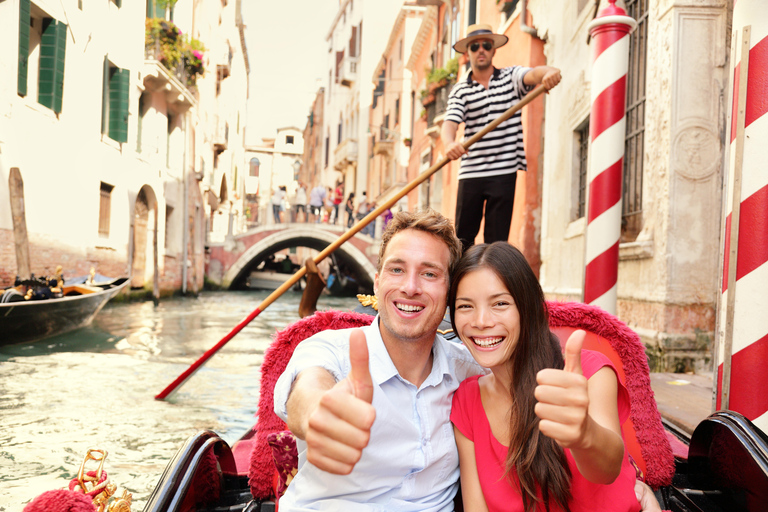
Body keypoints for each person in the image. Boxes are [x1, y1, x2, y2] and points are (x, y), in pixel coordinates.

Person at [273, 209, 661, 512]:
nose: (410, 286)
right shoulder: (333, 349)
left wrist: (615, 462)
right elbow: (307, 391)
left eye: (429, 273)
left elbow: (601, 457)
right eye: (396, 269)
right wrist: (319, 416)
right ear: (376, 282)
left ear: (445, 296)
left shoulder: (469, 366)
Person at [448, 242, 642, 511]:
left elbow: (607, 470)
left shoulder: (590, 371)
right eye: (465, 306)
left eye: (500, 303)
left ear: (528, 309)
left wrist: (585, 435)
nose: (481, 321)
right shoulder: (467, 400)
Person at [441, 23, 562, 252]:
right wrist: (449, 144)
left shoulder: (511, 77)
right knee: (463, 240)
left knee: (496, 244)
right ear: (468, 53)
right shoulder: (461, 90)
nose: (481, 50)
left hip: (503, 171)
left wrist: (548, 72)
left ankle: (490, 286)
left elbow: (535, 73)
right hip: (472, 172)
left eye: (486, 45)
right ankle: (461, 286)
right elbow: (449, 125)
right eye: (475, 46)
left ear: (494, 49)